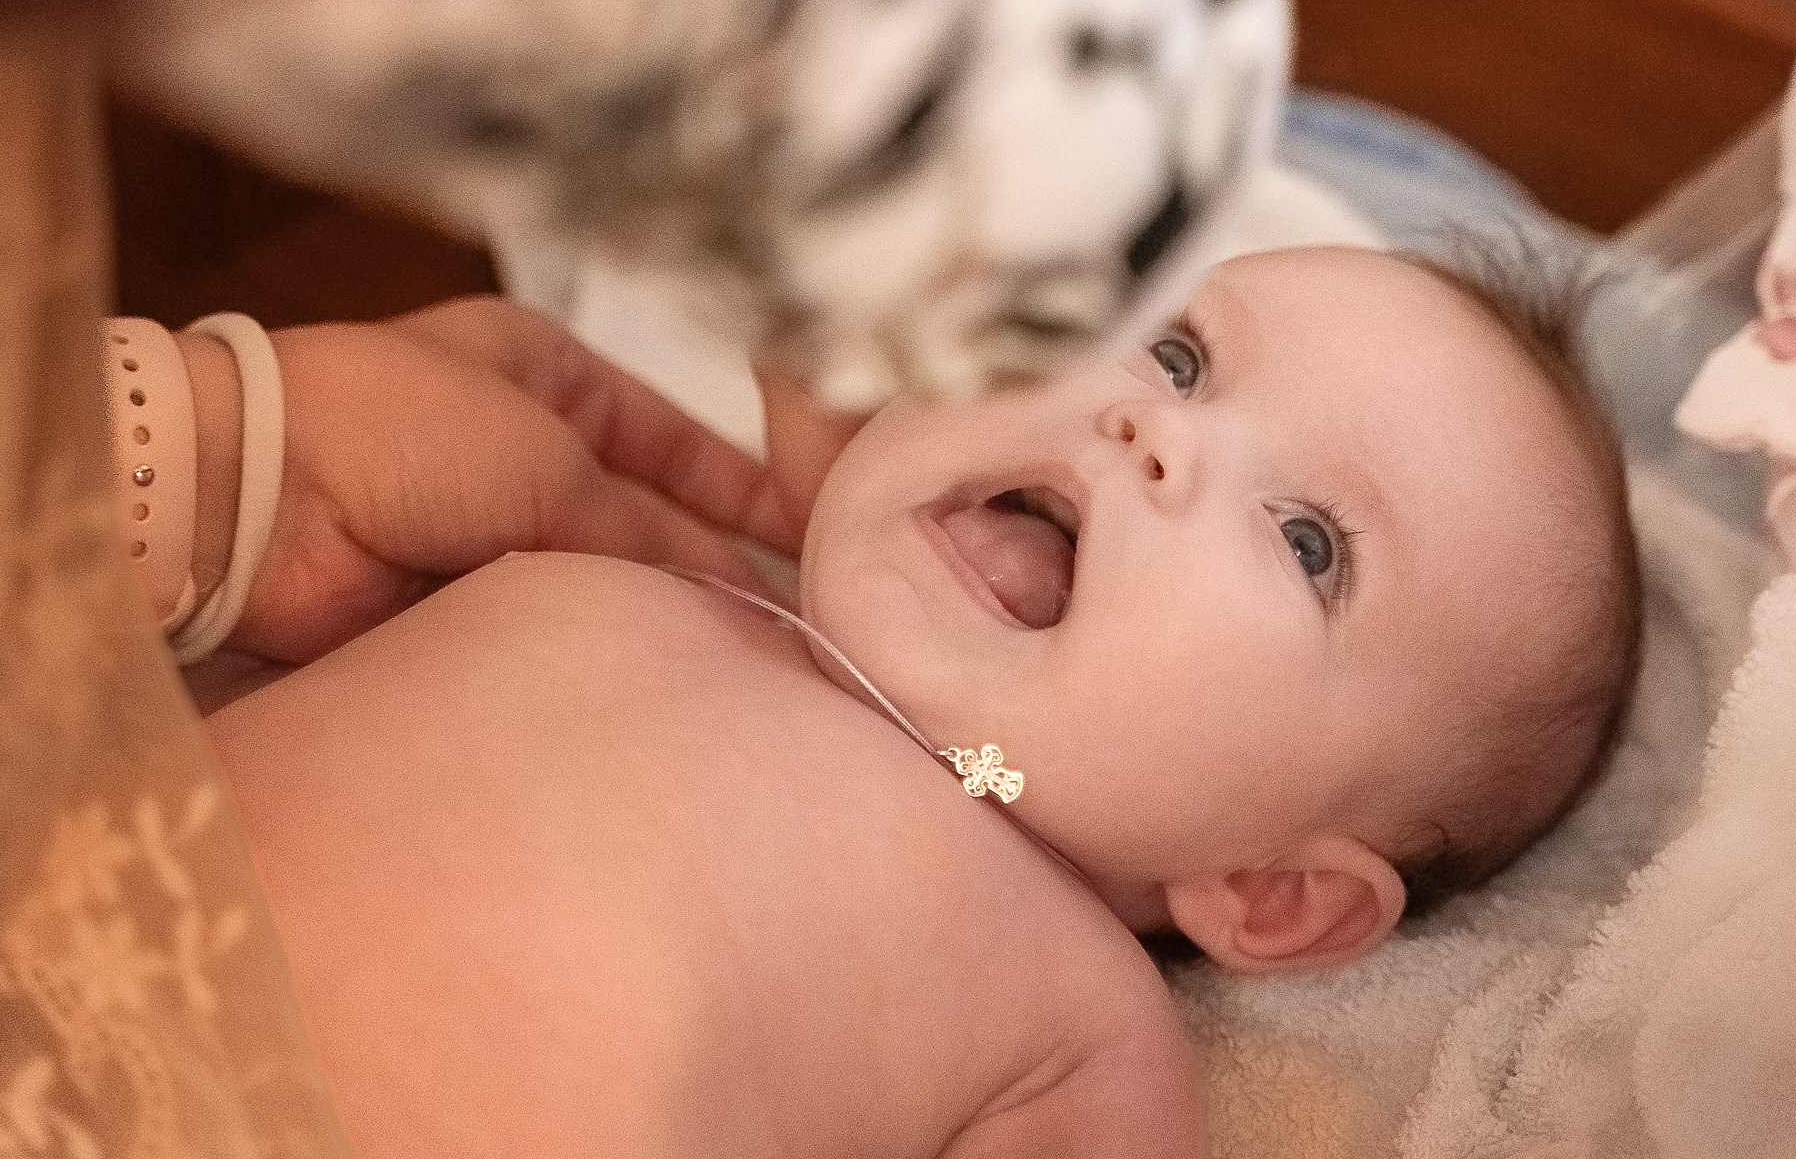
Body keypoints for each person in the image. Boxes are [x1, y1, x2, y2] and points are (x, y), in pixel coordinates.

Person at [190, 240, 1640, 1158]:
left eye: (1310, 540)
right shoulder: (586, 549)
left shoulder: (1071, 1018)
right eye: (1182, 351)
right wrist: (224, 461)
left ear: (1268, 894)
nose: (1154, 425)